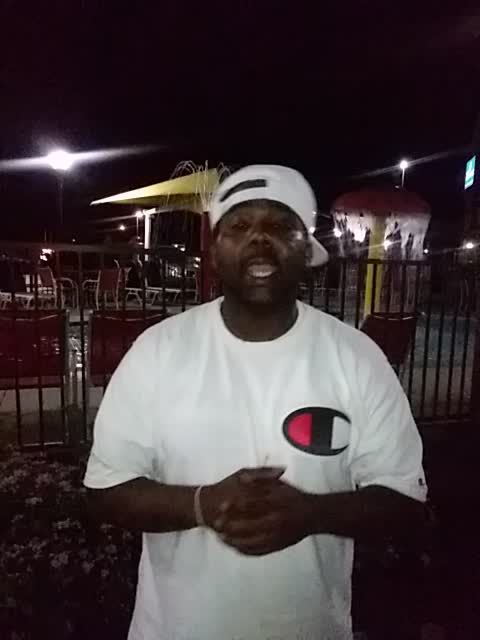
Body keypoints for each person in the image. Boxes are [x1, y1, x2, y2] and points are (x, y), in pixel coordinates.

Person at [84, 165, 428, 640]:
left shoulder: (356, 357)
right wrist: (203, 505)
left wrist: (311, 515)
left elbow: (405, 501)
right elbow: (104, 491)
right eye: (240, 226)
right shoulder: (157, 351)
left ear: (306, 249)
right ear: (215, 250)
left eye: (281, 226)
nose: (259, 240)